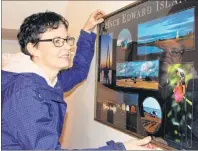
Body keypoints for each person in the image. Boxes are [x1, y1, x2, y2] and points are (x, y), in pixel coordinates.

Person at [1, 10, 152, 150]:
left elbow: (79, 71)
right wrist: (120, 148)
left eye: (66, 39)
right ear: (33, 48)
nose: (67, 47)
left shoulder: (49, 81)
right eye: (57, 41)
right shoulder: (24, 94)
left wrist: (87, 30)